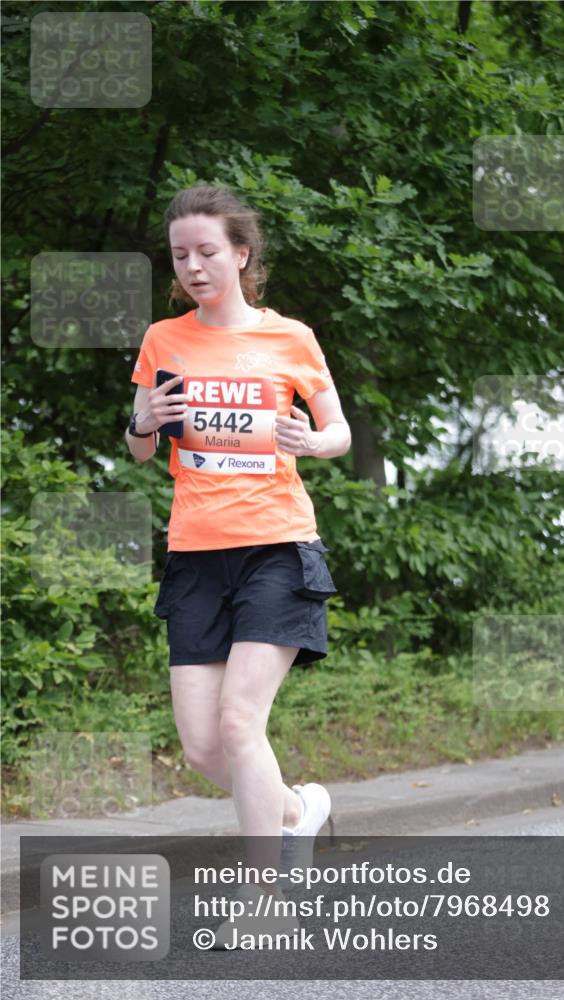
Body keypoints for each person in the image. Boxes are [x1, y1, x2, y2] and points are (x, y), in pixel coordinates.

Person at [125, 184, 351, 943]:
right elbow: (143, 446)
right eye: (180, 253)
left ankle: (266, 900)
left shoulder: (290, 338)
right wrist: (140, 422)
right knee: (201, 747)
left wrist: (312, 442)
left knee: (239, 722)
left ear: (241, 254)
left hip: (277, 547)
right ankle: (296, 810)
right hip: (194, 553)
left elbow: (337, 432)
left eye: (206, 251)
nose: (192, 265)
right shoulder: (164, 339)